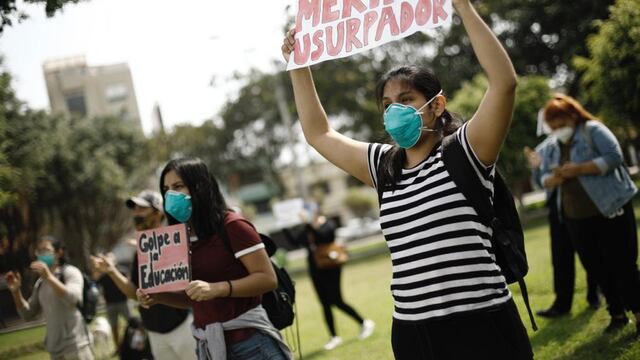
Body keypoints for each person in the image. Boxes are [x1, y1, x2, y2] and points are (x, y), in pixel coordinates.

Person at [281, 0, 533, 358]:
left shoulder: (466, 150)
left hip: (482, 323)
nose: (395, 111)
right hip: (415, 333)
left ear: (437, 105)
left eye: (406, 99)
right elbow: (318, 133)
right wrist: (298, 65)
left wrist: (463, 8)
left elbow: (504, 83)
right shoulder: (382, 165)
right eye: (387, 105)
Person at [136, 158, 292, 360]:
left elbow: (267, 278)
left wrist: (218, 288)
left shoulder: (233, 226)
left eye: (178, 186)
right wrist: (158, 297)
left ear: (200, 186)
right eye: (166, 189)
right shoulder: (178, 239)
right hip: (209, 347)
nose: (170, 195)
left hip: (253, 345)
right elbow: (193, 298)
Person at [539, 93, 640, 334]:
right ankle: (616, 314)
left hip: (610, 208)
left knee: (623, 264)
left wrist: (580, 169)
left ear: (572, 115)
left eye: (561, 125)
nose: (557, 130)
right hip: (576, 217)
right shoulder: (552, 146)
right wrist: (555, 178)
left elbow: (615, 158)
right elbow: (542, 178)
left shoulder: (592, 130)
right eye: (553, 127)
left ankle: (638, 313)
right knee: (596, 267)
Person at [91, 190, 196, 360]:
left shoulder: (176, 241)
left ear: (158, 213)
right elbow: (134, 292)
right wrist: (111, 271)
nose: (136, 214)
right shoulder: (141, 251)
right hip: (154, 334)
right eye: (134, 210)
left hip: (183, 327)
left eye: (142, 209)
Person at [524, 141, 600, 318]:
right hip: (557, 210)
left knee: (589, 253)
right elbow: (538, 182)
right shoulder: (544, 148)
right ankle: (562, 305)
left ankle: (595, 295)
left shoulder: (579, 140)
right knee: (560, 258)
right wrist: (536, 167)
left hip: (581, 206)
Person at [283, 210, 374, 350]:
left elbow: (323, 237)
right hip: (315, 270)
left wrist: (308, 224)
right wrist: (285, 226)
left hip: (331, 268)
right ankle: (334, 336)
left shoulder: (327, 224)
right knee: (324, 303)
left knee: (336, 300)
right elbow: (295, 242)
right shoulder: (308, 229)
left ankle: (364, 322)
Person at [5, 236, 93, 360]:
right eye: (39, 251)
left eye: (46, 250)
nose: (42, 255)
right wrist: (15, 292)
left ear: (59, 252)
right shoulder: (40, 283)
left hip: (77, 347)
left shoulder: (70, 272)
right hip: (55, 351)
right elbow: (27, 314)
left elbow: (73, 298)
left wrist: (49, 277)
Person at [91, 252, 131, 351]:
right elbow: (94, 281)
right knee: (114, 328)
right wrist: (96, 267)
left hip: (123, 302)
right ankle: (118, 348)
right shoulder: (104, 274)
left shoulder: (123, 271)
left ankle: (133, 345)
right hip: (110, 304)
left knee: (132, 324)